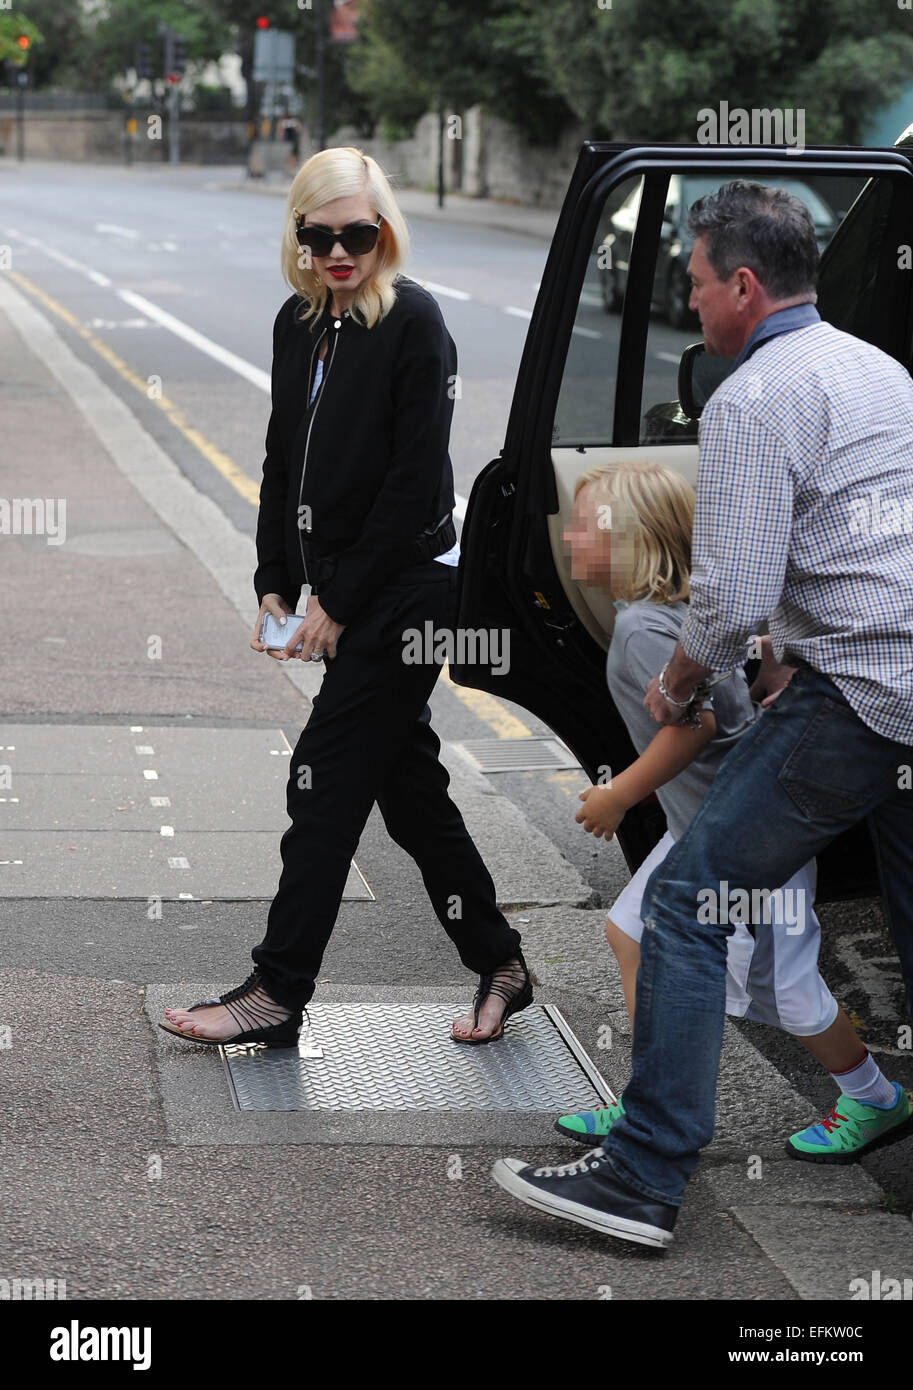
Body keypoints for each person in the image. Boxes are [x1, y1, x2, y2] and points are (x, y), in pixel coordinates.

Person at [492, 180, 913, 1248]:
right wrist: (783, 641)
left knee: (683, 906)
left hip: (857, 695)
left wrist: (682, 682)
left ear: (741, 283)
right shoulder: (884, 373)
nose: (687, 302)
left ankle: (640, 1175)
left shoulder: (751, 398)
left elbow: (724, 597)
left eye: (689, 281)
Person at [160, 146, 532, 1050]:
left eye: (357, 234)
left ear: (384, 232)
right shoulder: (300, 322)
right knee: (408, 793)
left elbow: (414, 488)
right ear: (298, 235)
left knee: (318, 782)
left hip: (408, 593)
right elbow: (282, 458)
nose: (339, 252)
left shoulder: (415, 323)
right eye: (319, 235)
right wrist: (276, 583)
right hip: (340, 588)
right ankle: (502, 964)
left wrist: (339, 602)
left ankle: (277, 990)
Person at [550, 461, 909, 1161]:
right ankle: (647, 1098)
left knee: (789, 991)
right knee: (629, 932)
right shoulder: (659, 618)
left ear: (636, 540)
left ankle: (876, 1098)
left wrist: (619, 794)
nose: (566, 537)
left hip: (747, 836)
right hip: (701, 826)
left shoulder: (644, 633)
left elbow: (695, 725)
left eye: (583, 526)